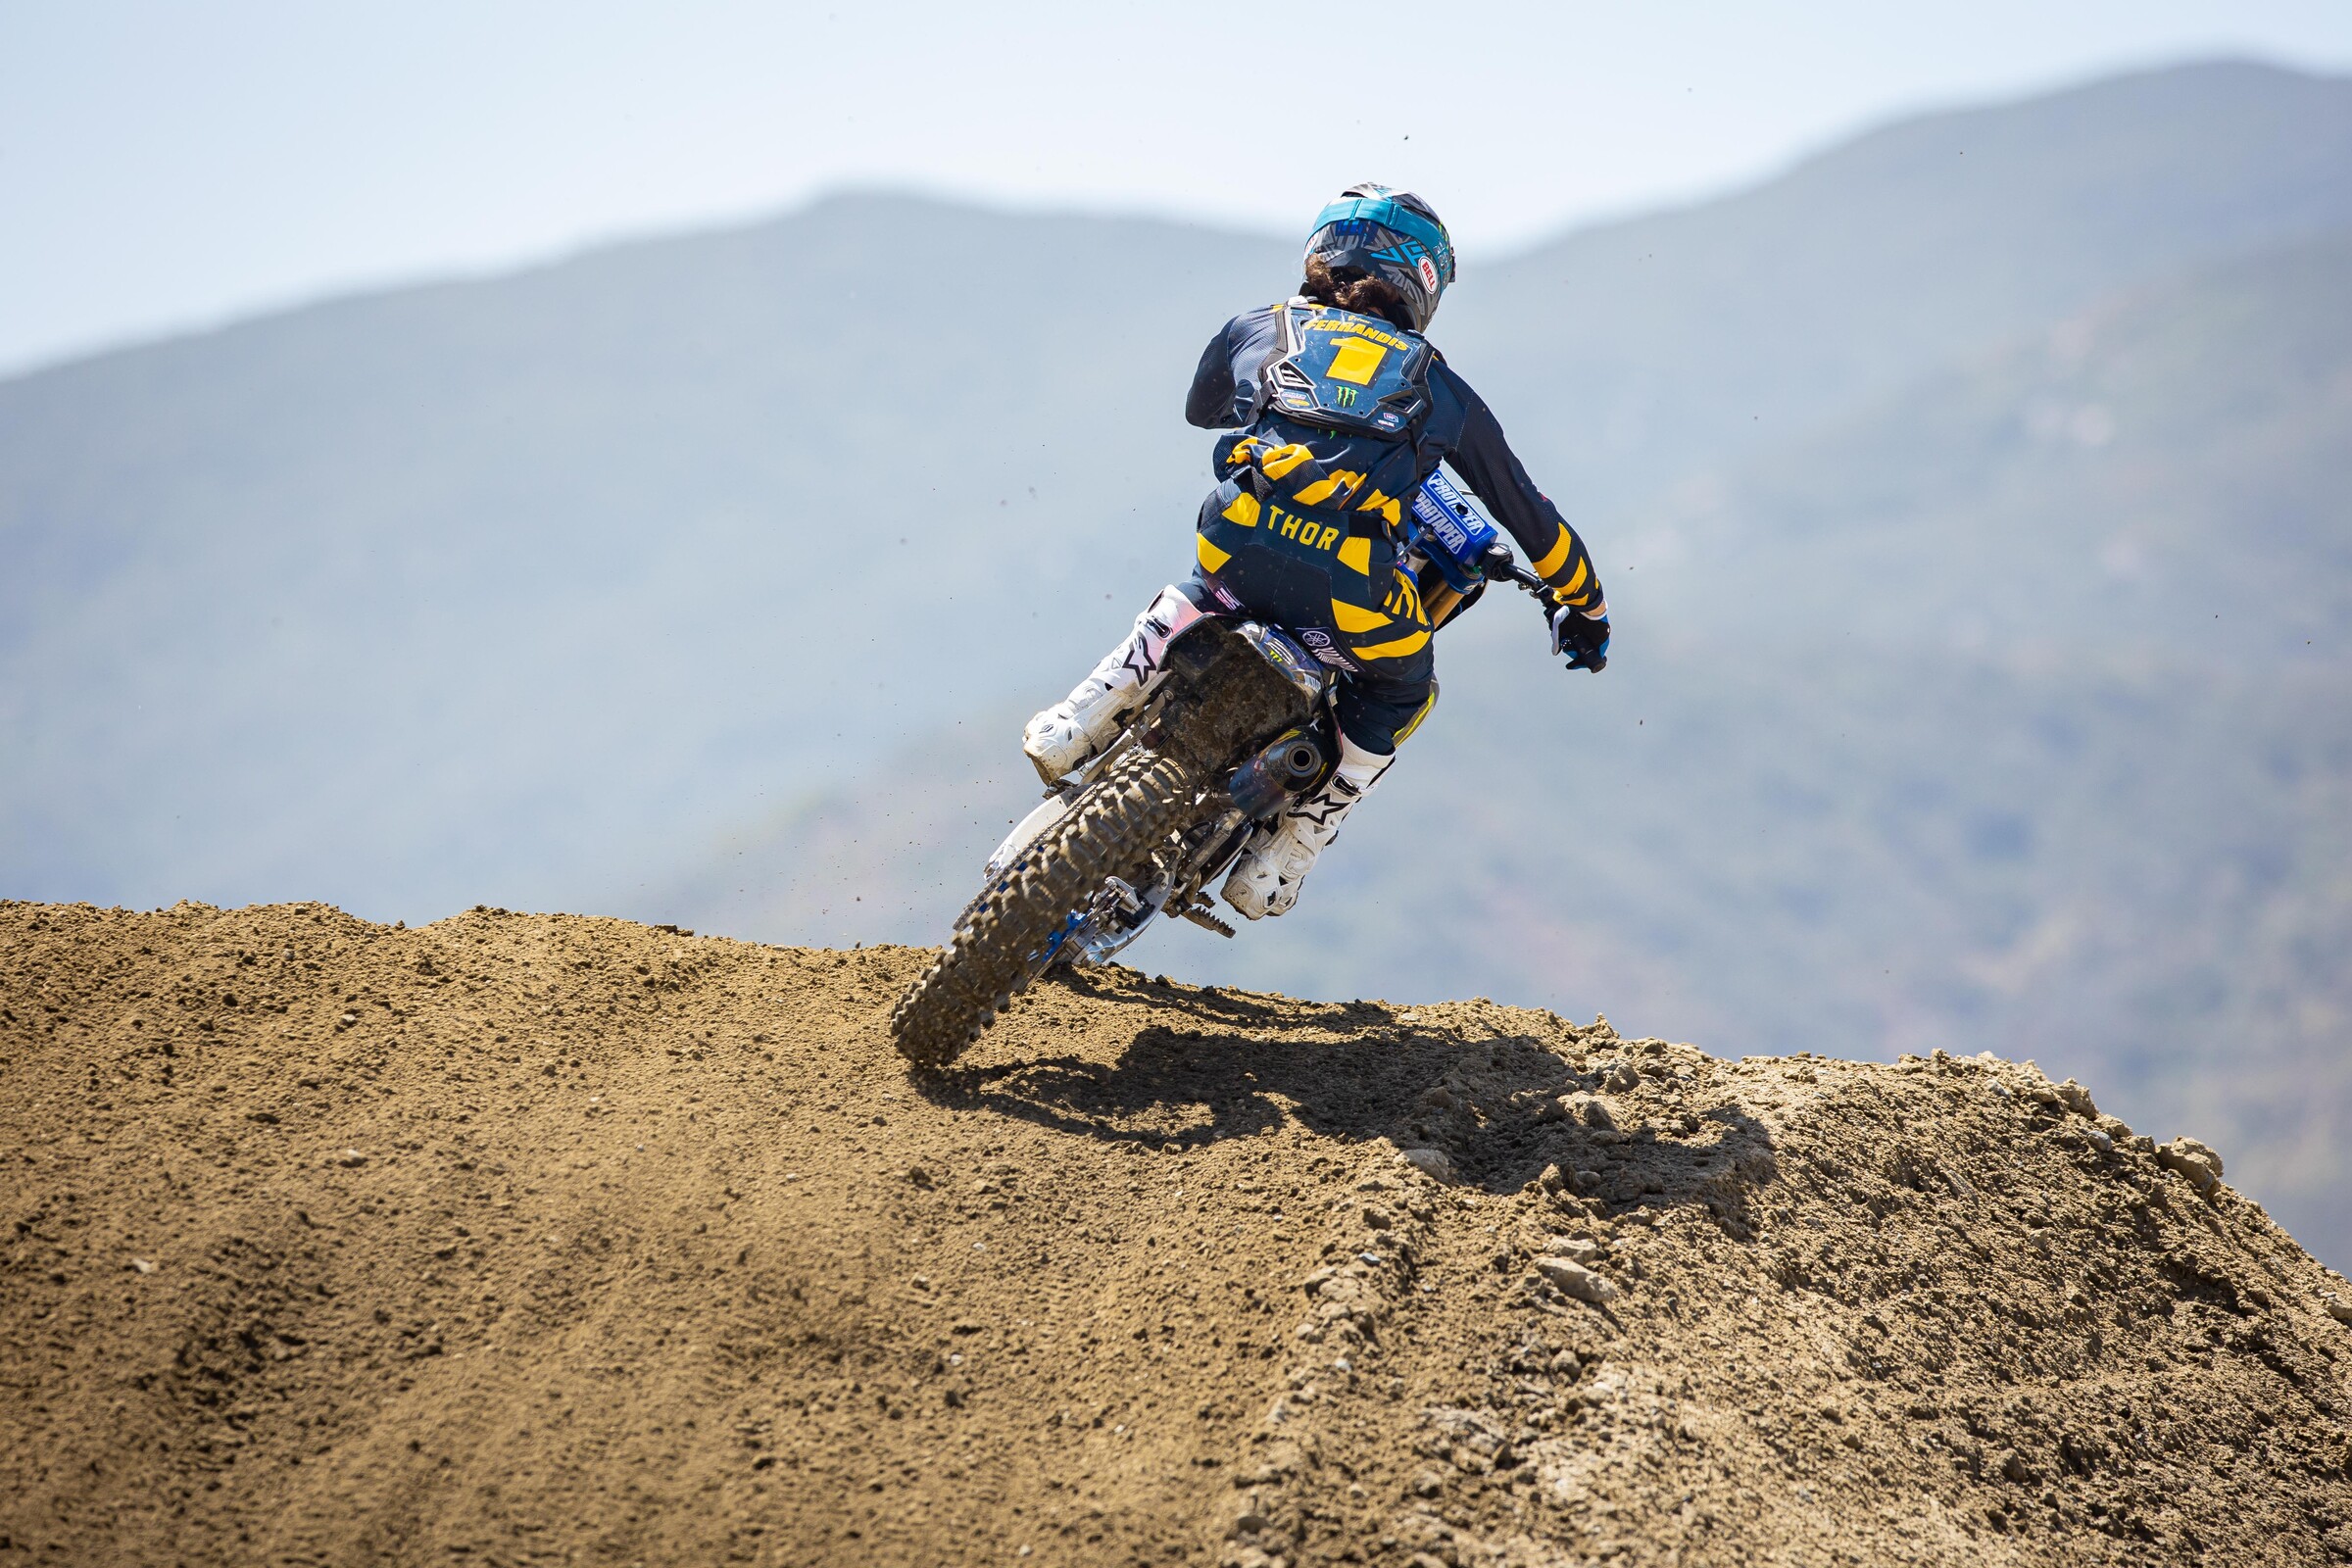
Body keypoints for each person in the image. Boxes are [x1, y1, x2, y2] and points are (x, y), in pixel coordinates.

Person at [1022, 183, 1609, 919]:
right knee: (1403, 688)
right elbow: (1533, 517)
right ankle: (1290, 843)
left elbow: (1203, 410)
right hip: (1349, 592)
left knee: (1202, 590)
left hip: (1233, 545)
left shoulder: (1257, 327)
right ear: (1423, 283)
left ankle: (1089, 709)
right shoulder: (1440, 388)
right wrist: (1585, 609)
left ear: (1319, 250)